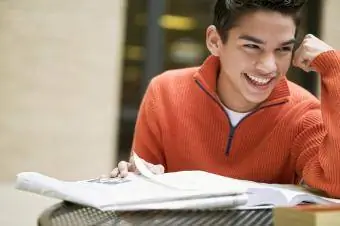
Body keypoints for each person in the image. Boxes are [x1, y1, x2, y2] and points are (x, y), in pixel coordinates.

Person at [108, 0, 340, 198]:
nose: (269, 66)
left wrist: (335, 70)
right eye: (252, 46)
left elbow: (335, 185)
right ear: (215, 41)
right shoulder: (165, 91)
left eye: (283, 49)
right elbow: (141, 193)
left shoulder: (305, 113)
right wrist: (131, 179)